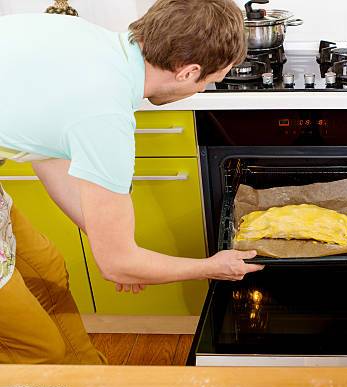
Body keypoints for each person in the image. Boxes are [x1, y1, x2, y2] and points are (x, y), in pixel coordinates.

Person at [0, 0, 264, 364]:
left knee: (47, 270)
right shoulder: (106, 117)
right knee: (36, 349)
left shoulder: (90, 43)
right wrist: (211, 267)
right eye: (209, 81)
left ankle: (86, 383)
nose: (202, 91)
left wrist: (114, 245)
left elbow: (48, 152)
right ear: (188, 72)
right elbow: (116, 266)